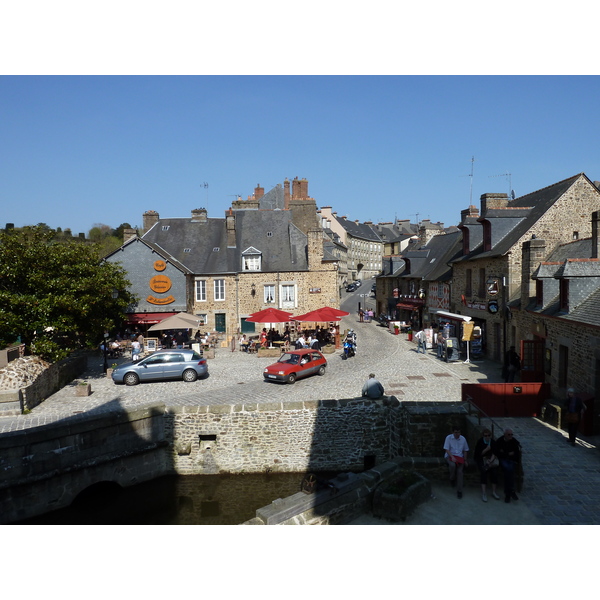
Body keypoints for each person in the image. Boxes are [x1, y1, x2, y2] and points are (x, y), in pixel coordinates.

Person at [473, 428, 500, 502]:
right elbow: (478, 454)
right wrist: (486, 450)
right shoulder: (480, 442)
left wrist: (490, 461)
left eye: (489, 435)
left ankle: (494, 492)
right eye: (486, 435)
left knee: (494, 472)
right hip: (482, 459)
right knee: (483, 471)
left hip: (490, 460)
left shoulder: (493, 442)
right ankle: (484, 493)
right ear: (483, 436)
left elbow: (495, 453)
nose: (487, 437)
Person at [495, 428, 521, 503]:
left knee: (509, 472)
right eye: (509, 435)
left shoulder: (513, 441)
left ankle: (508, 494)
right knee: (509, 470)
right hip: (503, 460)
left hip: (511, 460)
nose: (510, 436)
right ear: (505, 435)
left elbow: (516, 452)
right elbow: (498, 452)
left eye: (511, 434)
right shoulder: (500, 441)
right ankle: (511, 491)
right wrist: (508, 454)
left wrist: (506, 453)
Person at [443, 426, 469, 499]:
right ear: (453, 432)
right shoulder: (448, 438)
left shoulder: (463, 439)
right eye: (456, 432)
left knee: (460, 472)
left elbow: (465, 450)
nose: (457, 434)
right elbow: (446, 449)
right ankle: (452, 478)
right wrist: (452, 457)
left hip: (460, 457)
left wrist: (465, 460)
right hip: (450, 456)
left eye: (459, 432)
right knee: (452, 465)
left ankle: (459, 491)